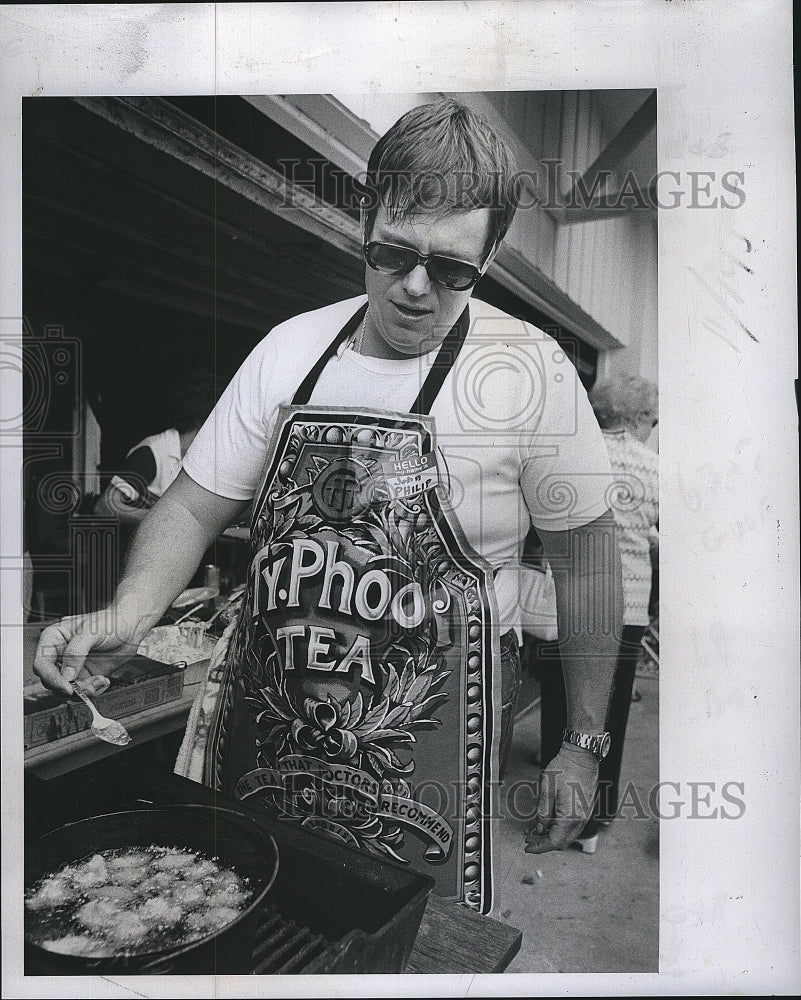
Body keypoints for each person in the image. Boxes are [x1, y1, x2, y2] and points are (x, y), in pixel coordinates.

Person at [33, 99, 623, 911]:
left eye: (451, 270)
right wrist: (129, 615)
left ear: (487, 258)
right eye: (392, 254)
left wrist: (583, 742)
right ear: (364, 220)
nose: (415, 288)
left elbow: (587, 562)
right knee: (242, 904)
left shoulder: (531, 372)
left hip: (424, 755)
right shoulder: (288, 349)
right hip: (269, 729)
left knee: (405, 931)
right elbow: (191, 506)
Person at [537, 372, 658, 853]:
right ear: (637, 418)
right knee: (605, 714)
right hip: (623, 607)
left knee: (557, 706)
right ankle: (591, 820)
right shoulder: (653, 467)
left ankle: (549, 810)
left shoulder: (569, 457)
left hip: (560, 604)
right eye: (652, 417)